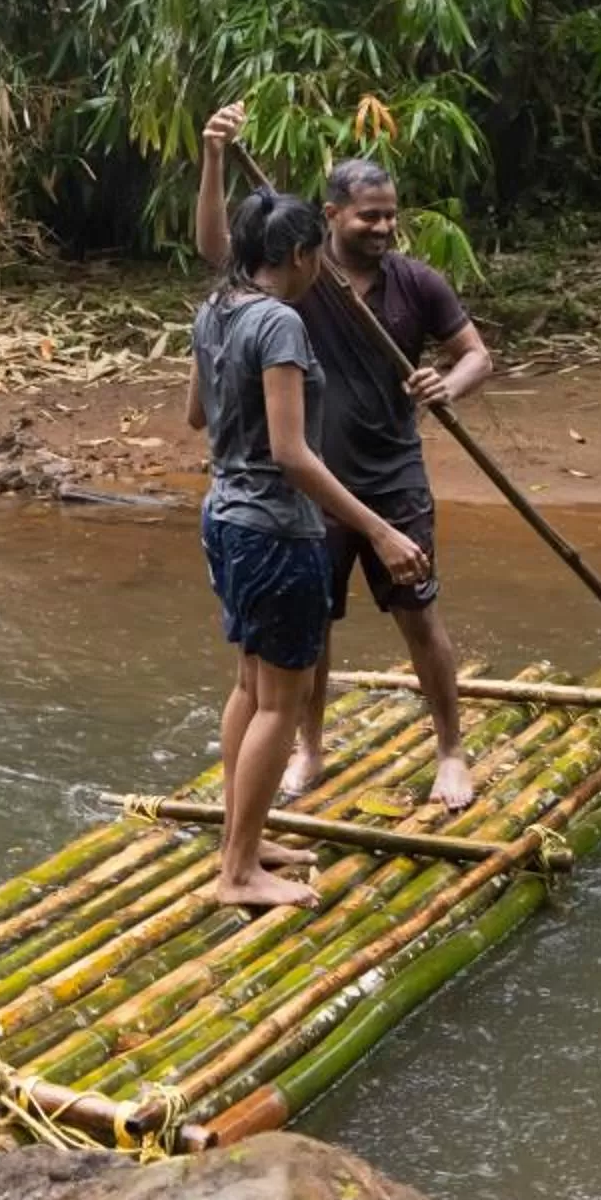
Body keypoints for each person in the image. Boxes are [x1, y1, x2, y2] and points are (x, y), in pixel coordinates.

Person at [195, 103, 494, 809]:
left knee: (420, 615)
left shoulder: (417, 283)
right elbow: (217, 253)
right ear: (330, 217)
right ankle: (309, 747)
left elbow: (476, 355)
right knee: (312, 629)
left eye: (391, 216)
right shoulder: (299, 278)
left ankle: (450, 750)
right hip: (310, 489)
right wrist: (213, 156)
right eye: (368, 217)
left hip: (392, 477)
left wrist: (441, 386)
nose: (384, 228)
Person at [187, 186, 435, 909]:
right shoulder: (280, 324)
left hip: (224, 518)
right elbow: (294, 454)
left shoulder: (214, 311)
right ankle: (238, 874)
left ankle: (245, 836)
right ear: (297, 254)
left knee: (249, 686)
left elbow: (197, 413)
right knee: (279, 705)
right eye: (314, 259)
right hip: (274, 526)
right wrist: (381, 530)